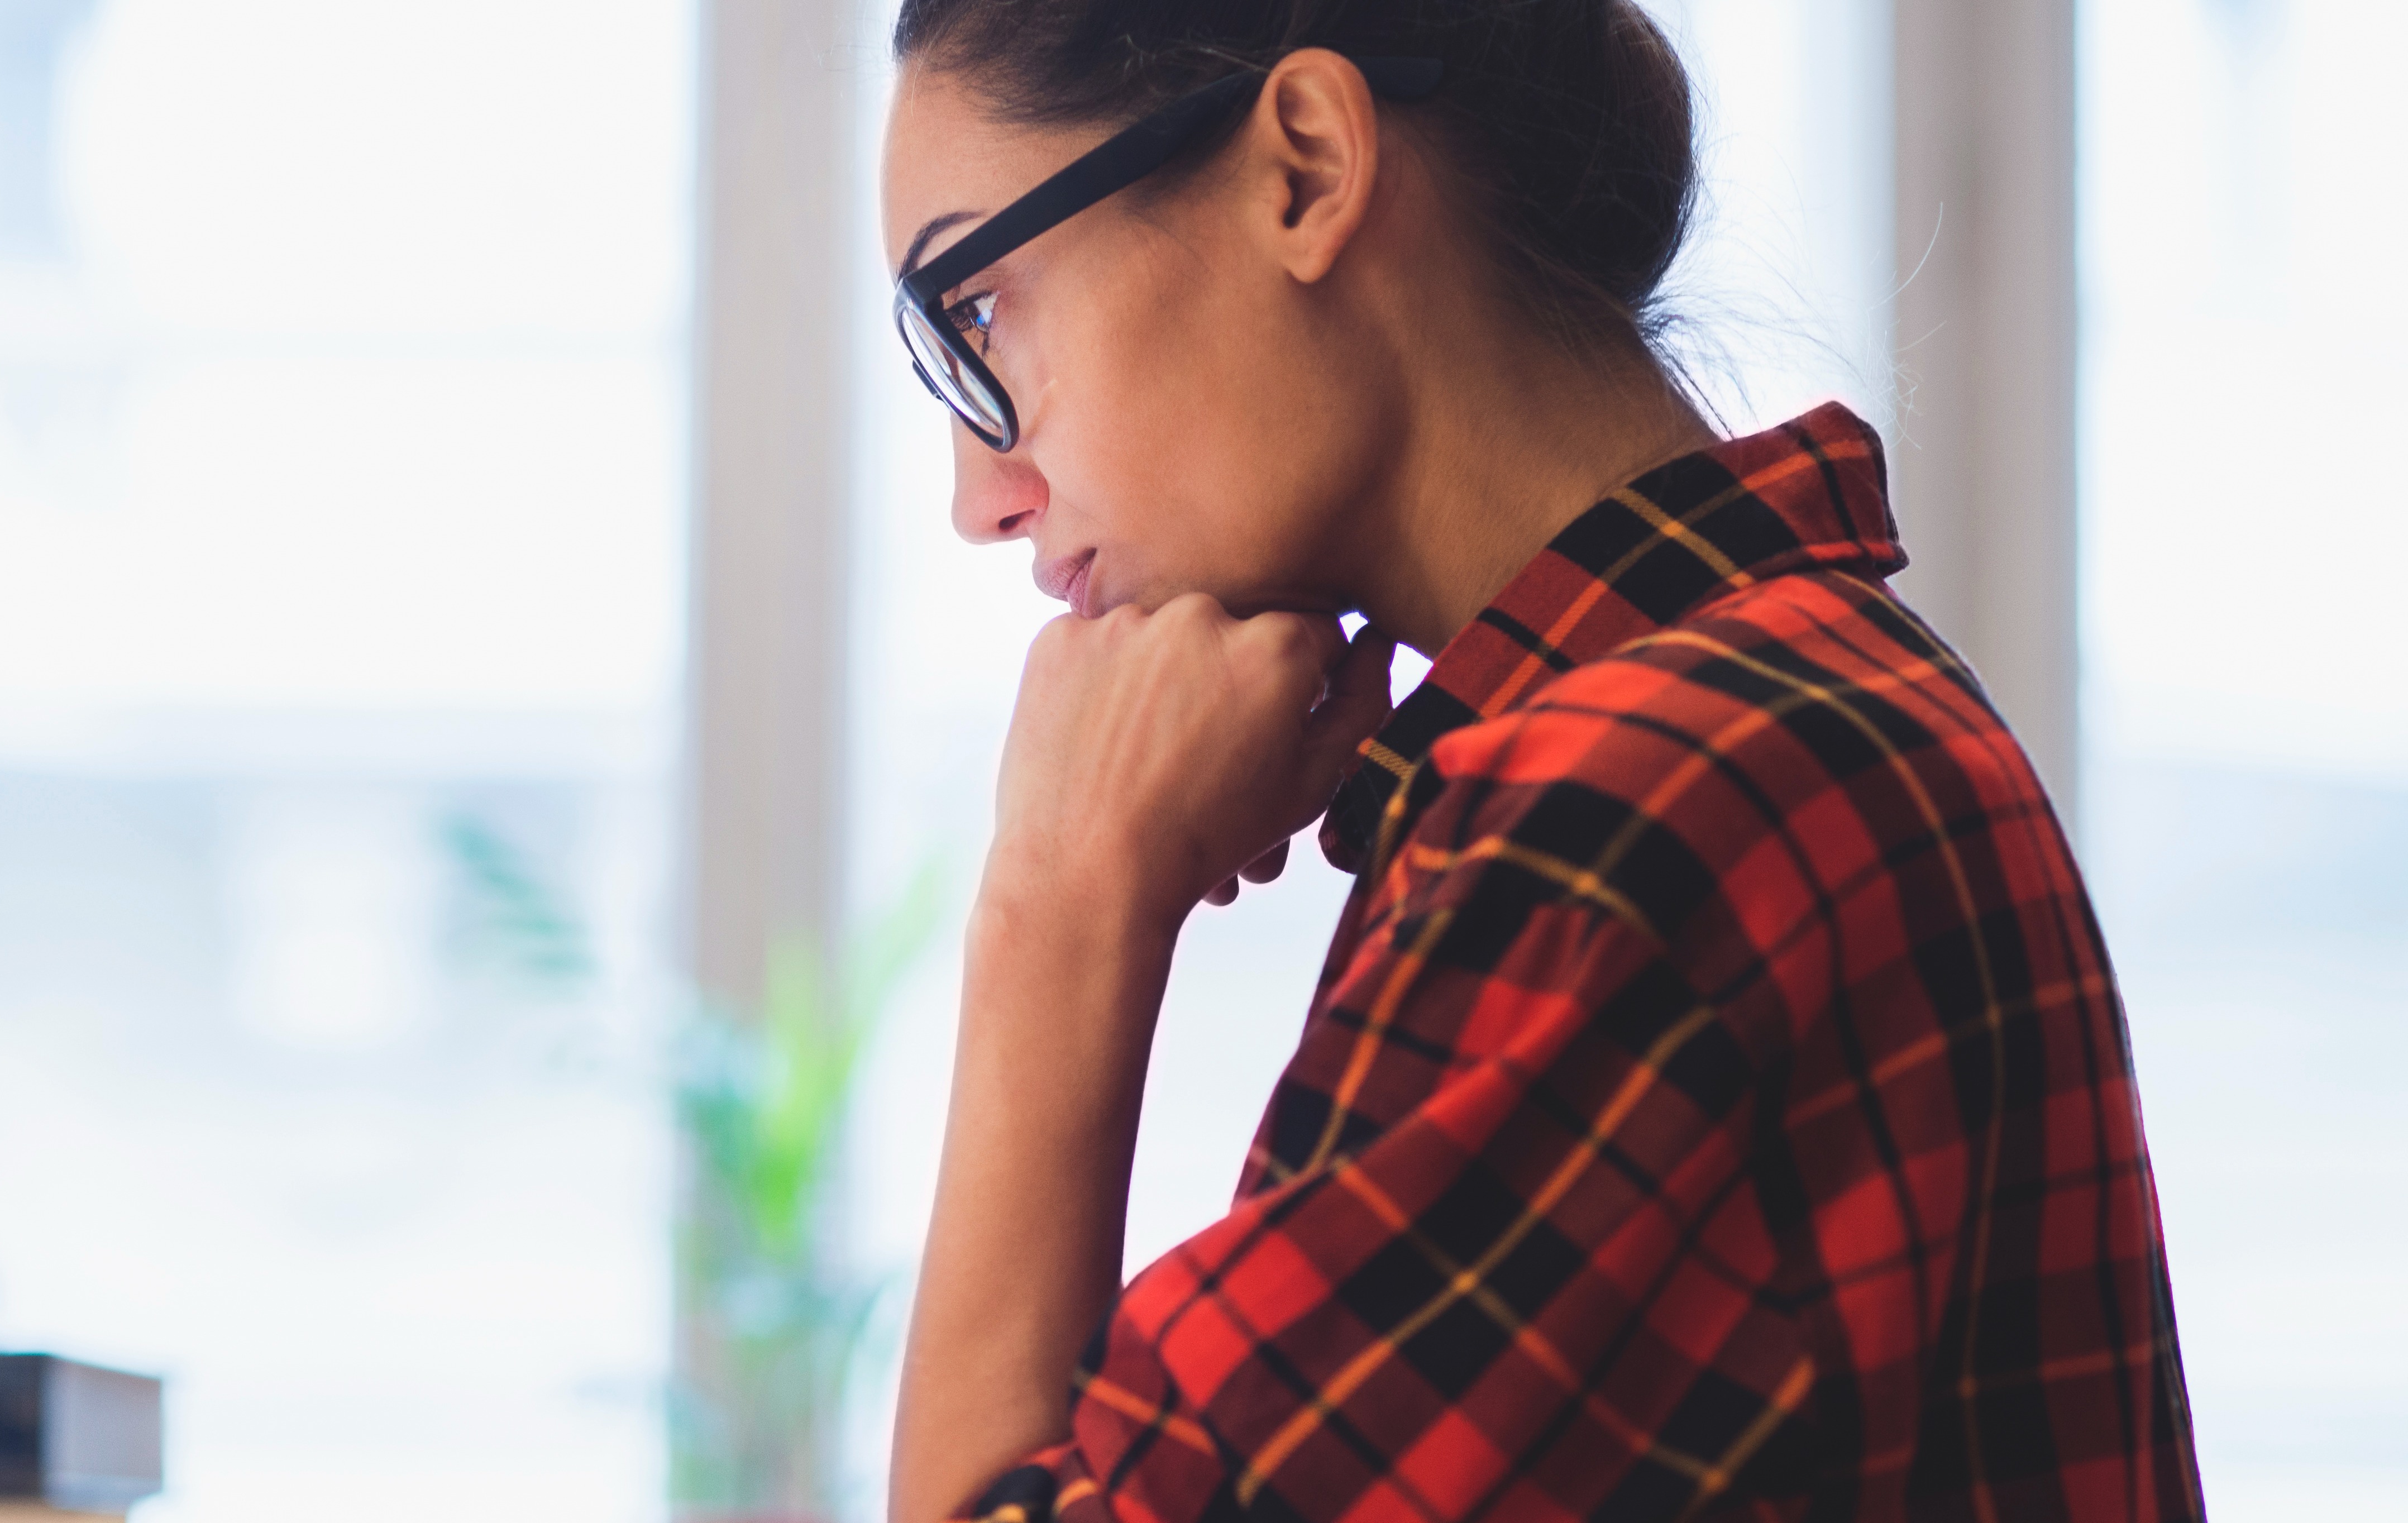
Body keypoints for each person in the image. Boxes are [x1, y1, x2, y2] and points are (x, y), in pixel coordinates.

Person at [876, 2, 2201, 1519]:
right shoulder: (1762, 716)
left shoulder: (1632, 826)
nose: (980, 498)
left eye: (980, 317)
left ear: (1305, 169)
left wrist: (1058, 911)